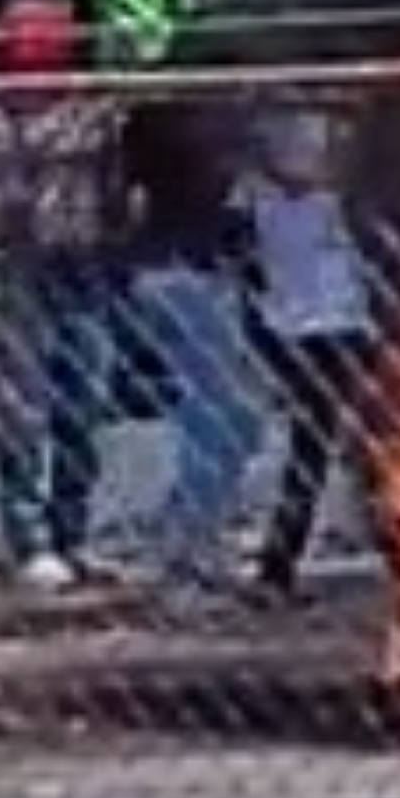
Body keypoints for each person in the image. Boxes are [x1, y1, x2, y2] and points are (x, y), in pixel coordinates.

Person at [0, 0, 124, 591]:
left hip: (81, 263)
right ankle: (29, 540)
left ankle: (71, 535)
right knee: (20, 407)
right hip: (17, 268)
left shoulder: (90, 110)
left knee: (83, 402)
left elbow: (112, 178)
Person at [238, 108, 383, 599]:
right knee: (313, 447)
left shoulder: (337, 198)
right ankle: (278, 567)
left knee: (367, 443)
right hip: (299, 328)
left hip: (348, 322)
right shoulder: (258, 198)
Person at [121, 94, 258, 603]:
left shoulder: (182, 147)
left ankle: (197, 540)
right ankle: (185, 557)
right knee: (215, 417)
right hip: (180, 277)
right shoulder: (182, 147)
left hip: (187, 275)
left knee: (239, 419)